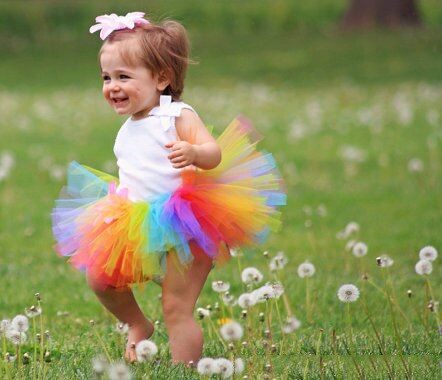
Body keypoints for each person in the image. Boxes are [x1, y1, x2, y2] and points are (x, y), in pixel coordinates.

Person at [51, 12, 285, 364]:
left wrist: (193, 151)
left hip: (185, 223)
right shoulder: (129, 126)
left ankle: (183, 367)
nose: (112, 86)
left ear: (161, 78)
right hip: (135, 222)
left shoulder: (176, 115)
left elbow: (214, 153)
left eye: (124, 77)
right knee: (100, 278)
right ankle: (137, 323)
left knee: (176, 306)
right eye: (106, 77)